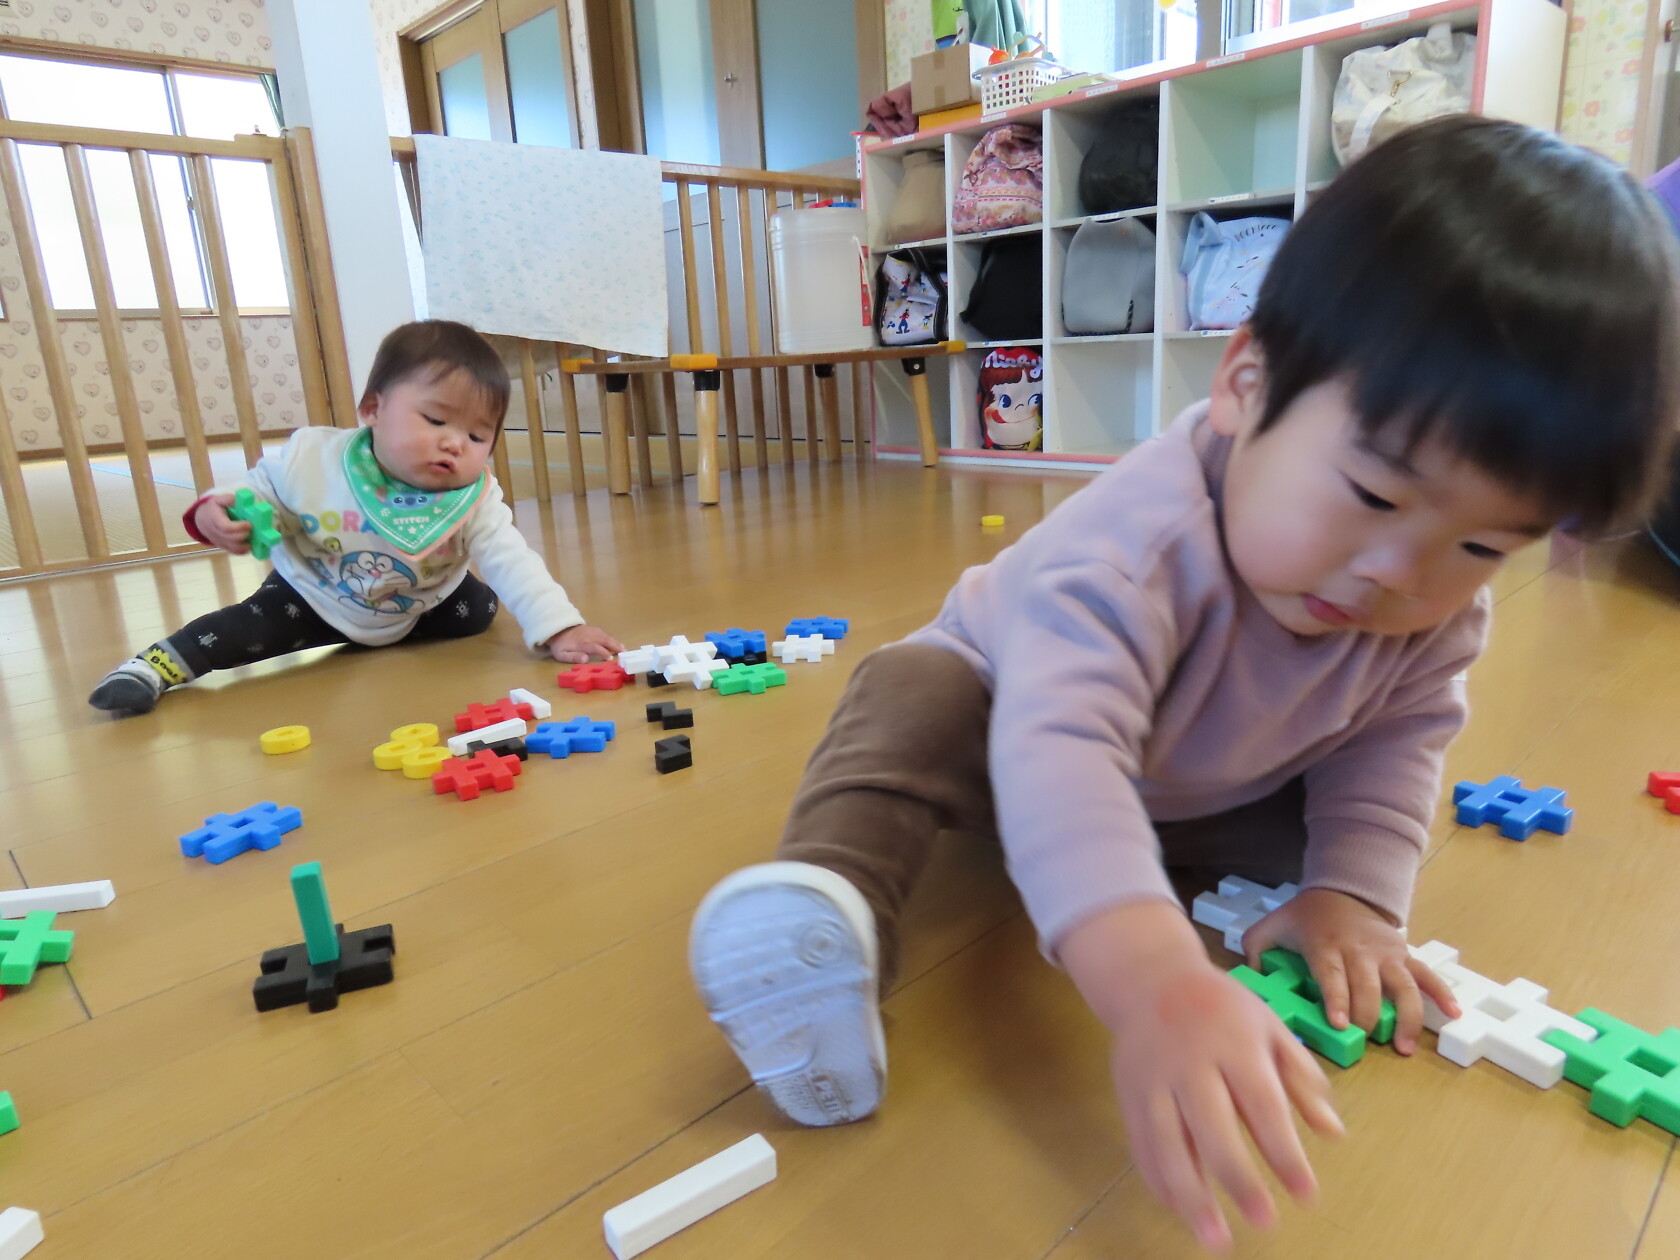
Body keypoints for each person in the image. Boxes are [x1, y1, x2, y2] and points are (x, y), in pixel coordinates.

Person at [686, 117, 1680, 1249]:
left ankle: (1147, 874)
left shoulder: (1430, 607)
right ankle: (828, 916)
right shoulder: (1135, 547)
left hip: (1204, 783)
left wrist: (1355, 895)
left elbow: (1395, 742)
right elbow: (1060, 754)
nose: (1399, 575)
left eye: (1483, 545)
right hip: (1010, 727)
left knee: (1314, 848)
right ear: (1246, 383)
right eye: (1373, 494)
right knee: (910, 697)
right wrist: (1156, 983)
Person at [89, 320, 622, 715]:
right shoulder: (316, 459)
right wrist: (219, 510)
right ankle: (153, 667)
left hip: (417, 601)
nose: (455, 443)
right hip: (314, 592)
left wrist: (561, 628)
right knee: (245, 630)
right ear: (372, 410)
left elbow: (512, 561)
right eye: (435, 419)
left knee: (478, 610)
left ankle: (400, 628)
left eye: (478, 435)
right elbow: (258, 490)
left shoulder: (472, 497)